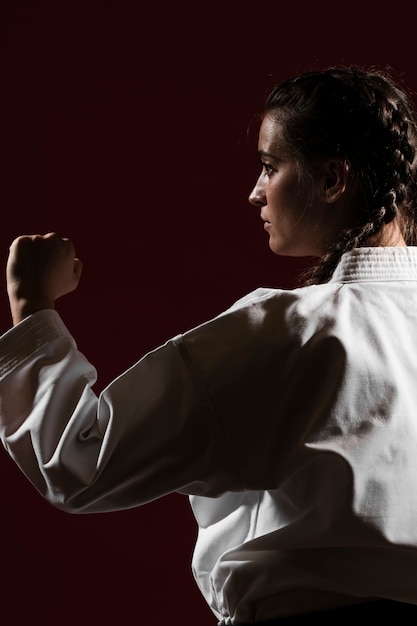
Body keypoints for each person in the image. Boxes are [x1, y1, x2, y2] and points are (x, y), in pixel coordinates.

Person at [1, 65, 417, 625]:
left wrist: (33, 305)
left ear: (333, 180)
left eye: (270, 168)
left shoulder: (287, 330)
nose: (255, 193)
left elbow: (79, 462)